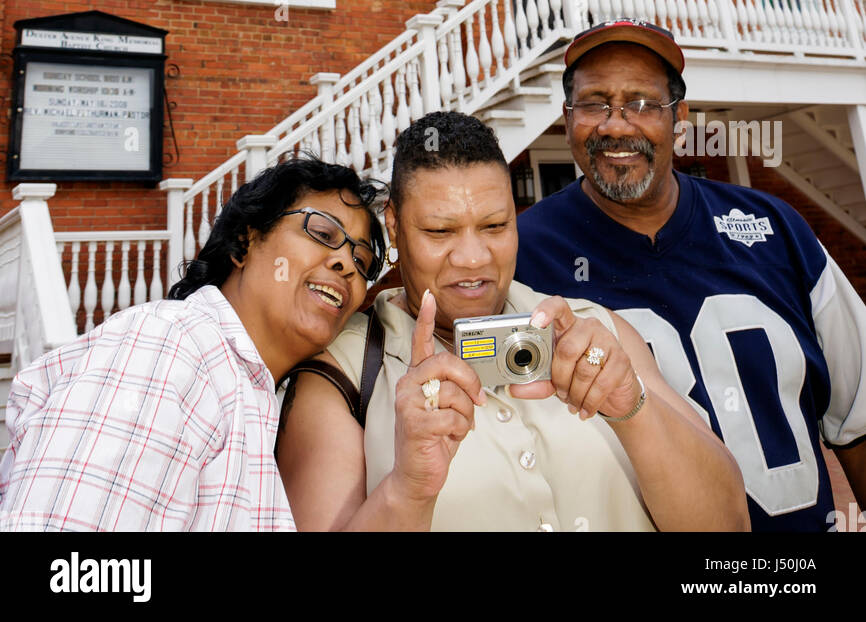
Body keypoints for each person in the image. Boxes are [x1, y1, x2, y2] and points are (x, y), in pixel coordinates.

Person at [278, 111, 749, 532]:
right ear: (395, 226)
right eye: (440, 231)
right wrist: (406, 489)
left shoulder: (596, 329)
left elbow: (729, 525)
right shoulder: (341, 374)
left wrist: (632, 410)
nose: (472, 258)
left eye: (495, 226)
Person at [515, 17, 866, 533]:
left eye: (641, 102)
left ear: (679, 118)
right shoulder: (525, 255)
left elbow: (858, 419)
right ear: (566, 119)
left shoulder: (776, 228)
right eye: (594, 103)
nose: (615, 125)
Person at [0, 156, 385, 532]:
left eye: (363, 260)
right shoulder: (168, 349)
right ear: (244, 242)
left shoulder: (251, 392)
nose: (346, 264)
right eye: (321, 234)